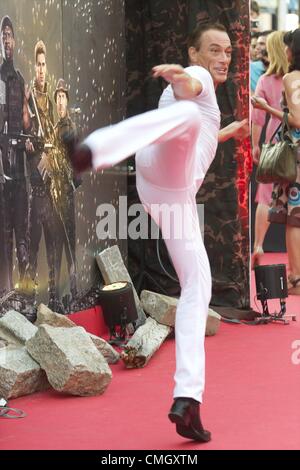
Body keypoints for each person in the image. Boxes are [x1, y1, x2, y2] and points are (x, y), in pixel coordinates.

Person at [65, 23, 248, 441]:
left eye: (228, 53)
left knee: (198, 285)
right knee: (184, 114)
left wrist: (229, 132)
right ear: (194, 53)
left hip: (165, 191)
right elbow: (189, 88)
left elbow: (196, 135)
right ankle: (91, 152)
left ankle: (188, 400)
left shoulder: (205, 104)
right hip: (169, 181)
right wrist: (179, 77)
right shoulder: (197, 80)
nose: (222, 59)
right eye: (214, 50)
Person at [252, 28, 300, 295]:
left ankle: (295, 279)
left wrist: (266, 108)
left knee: (295, 217)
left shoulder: (292, 78)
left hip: (296, 155)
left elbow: (297, 120)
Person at [25, 40, 61, 311]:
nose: (40, 69)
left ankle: (55, 297)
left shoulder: (51, 99)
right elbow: (23, 132)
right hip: (34, 184)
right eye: (37, 64)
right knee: (33, 241)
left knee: (53, 242)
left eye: (43, 64)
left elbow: (58, 137)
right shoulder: (28, 98)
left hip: (53, 185)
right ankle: (28, 299)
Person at [251, 31, 289, 268]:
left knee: (265, 195)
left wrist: (255, 145)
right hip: (294, 143)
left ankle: (258, 245)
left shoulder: (265, 80)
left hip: (273, 143)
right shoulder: (294, 78)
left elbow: (257, 117)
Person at [0, 16, 31, 294]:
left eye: (10, 34)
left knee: (23, 236)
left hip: (20, 174)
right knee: (5, 239)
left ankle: (25, 294)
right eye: (3, 35)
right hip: (3, 176)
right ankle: (6, 294)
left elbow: (26, 123)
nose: (7, 40)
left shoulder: (20, 79)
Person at [54, 78, 79, 303]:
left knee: (69, 245)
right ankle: (57, 295)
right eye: (58, 97)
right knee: (57, 246)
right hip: (55, 195)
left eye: (63, 97)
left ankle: (74, 292)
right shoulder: (54, 128)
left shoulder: (69, 127)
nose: (60, 101)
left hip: (66, 193)